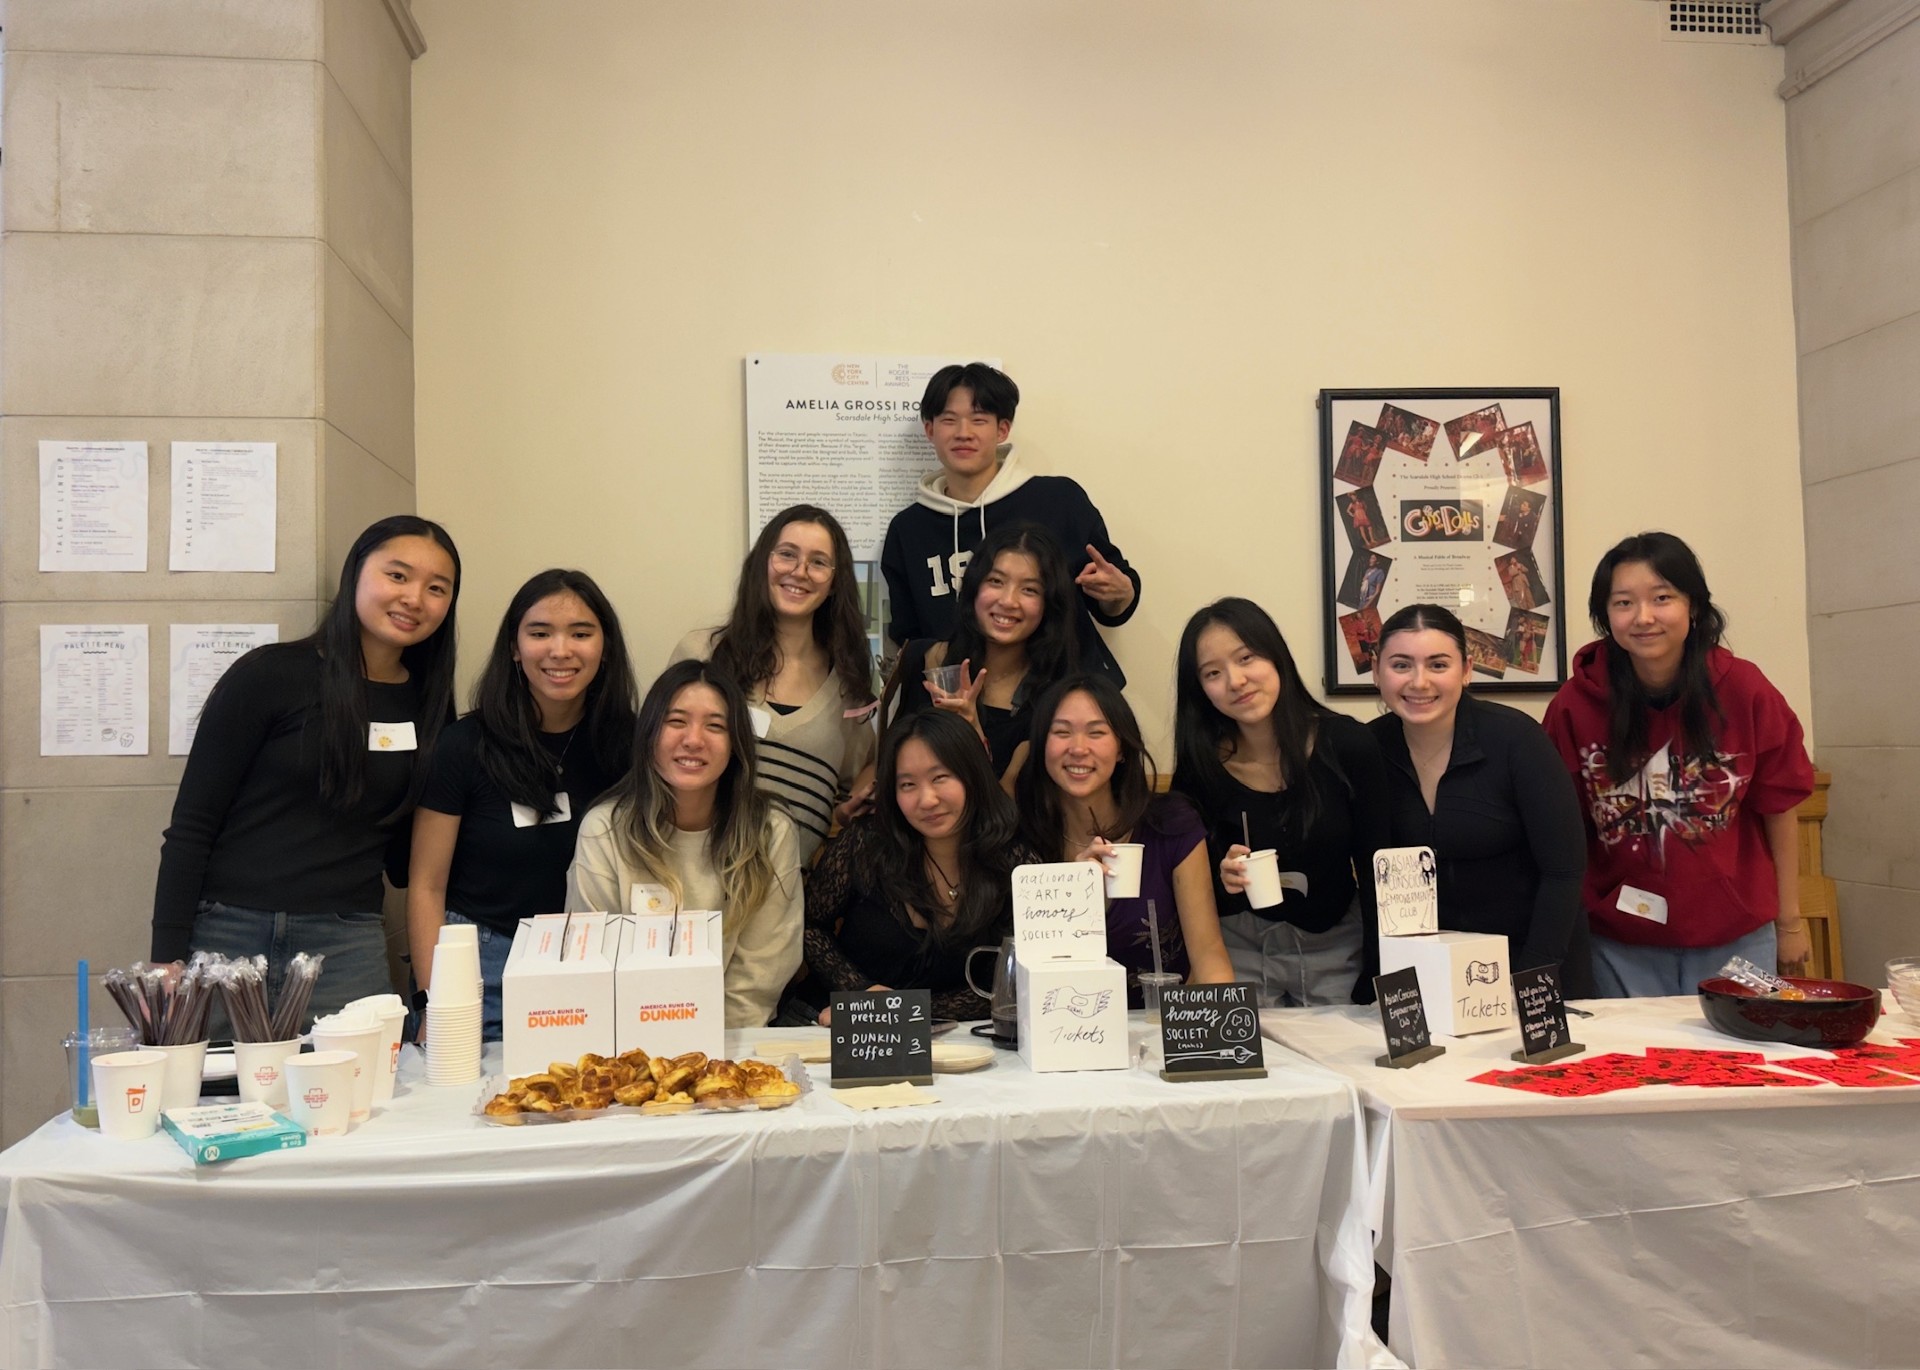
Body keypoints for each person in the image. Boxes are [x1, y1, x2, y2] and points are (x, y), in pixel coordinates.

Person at [152, 515, 461, 1023]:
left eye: (436, 588)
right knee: (216, 1097)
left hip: (346, 942)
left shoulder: (428, 704)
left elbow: (411, 856)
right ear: (355, 574)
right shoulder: (270, 674)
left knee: (357, 1098)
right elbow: (191, 825)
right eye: (398, 575)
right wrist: (168, 955)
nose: (414, 599)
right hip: (227, 935)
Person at [1543, 533, 1814, 996]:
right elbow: (1560, 830)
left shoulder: (1745, 690)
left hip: (1737, 937)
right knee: (1631, 1067)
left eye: (1662, 598)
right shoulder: (1574, 705)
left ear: (1693, 606)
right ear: (1606, 616)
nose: (1644, 617)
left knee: (1739, 1065)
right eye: (1624, 602)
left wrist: (1790, 922)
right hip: (1618, 941)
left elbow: (1780, 808)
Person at [408, 569, 637, 1040]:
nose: (560, 650)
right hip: (483, 964)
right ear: (514, 647)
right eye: (539, 633)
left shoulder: (630, 744)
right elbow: (426, 887)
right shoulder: (465, 744)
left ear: (604, 646)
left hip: (596, 961)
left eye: (581, 633)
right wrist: (439, 1000)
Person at [1171, 598, 1390, 1006]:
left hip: (1340, 946)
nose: (1235, 681)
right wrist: (1225, 878)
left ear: (1276, 658)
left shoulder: (1348, 745)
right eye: (1213, 673)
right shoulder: (1200, 767)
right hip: (1240, 950)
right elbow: (1192, 892)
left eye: (1246, 657)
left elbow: (1381, 869)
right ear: (1200, 689)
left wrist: (1377, 976)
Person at [566, 660, 803, 1028]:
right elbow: (593, 963)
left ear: (736, 744)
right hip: (628, 1042)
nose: (694, 739)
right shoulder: (604, 830)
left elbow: (761, 974)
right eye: (676, 721)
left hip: (735, 1045)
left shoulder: (770, 830)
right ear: (648, 734)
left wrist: (707, 1054)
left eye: (715, 725)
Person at [1370, 603, 1593, 995]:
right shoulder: (1367, 749)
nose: (1419, 682)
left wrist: (1530, 983)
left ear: (1467, 670)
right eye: (1401, 665)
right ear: (1376, 671)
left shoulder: (1516, 740)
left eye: (1438, 665)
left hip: (1531, 962)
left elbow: (1564, 871)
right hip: (1426, 974)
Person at [879, 362, 1140, 684]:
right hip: (965, 709)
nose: (964, 433)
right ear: (930, 430)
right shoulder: (909, 529)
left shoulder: (1058, 499)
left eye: (979, 420)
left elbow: (1114, 599)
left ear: (1002, 430)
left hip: (1067, 701)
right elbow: (909, 637)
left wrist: (1118, 593)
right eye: (949, 420)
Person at [803, 712, 1041, 1023]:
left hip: (958, 1043)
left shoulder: (1015, 864)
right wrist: (861, 992)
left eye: (940, 777)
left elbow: (1013, 984)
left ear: (973, 775)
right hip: (834, 1026)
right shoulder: (867, 843)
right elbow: (810, 927)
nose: (927, 799)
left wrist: (902, 1012)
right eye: (908, 784)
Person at [673, 504, 877, 861]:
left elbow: (859, 774)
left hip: (793, 891)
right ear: (761, 564)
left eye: (818, 562)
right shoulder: (703, 653)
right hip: (694, 876)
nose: (800, 572)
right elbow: (658, 761)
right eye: (786, 555)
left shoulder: (851, 682)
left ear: (834, 582)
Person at [1016, 675, 1233, 1006]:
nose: (1078, 748)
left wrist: (1215, 1039)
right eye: (1061, 732)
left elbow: (1208, 955)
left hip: (1164, 1025)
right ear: (1042, 746)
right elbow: (1033, 976)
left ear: (1121, 749)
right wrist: (1076, 896)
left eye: (1096, 732)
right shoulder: (1022, 839)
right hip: (1066, 1032)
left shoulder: (1172, 824)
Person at [885, 521, 1078, 788]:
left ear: (1048, 604)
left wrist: (972, 733)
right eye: (996, 581)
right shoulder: (925, 658)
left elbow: (1007, 818)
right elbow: (885, 761)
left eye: (1030, 589)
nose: (1008, 601)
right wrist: (856, 801)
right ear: (974, 588)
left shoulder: (1055, 699)